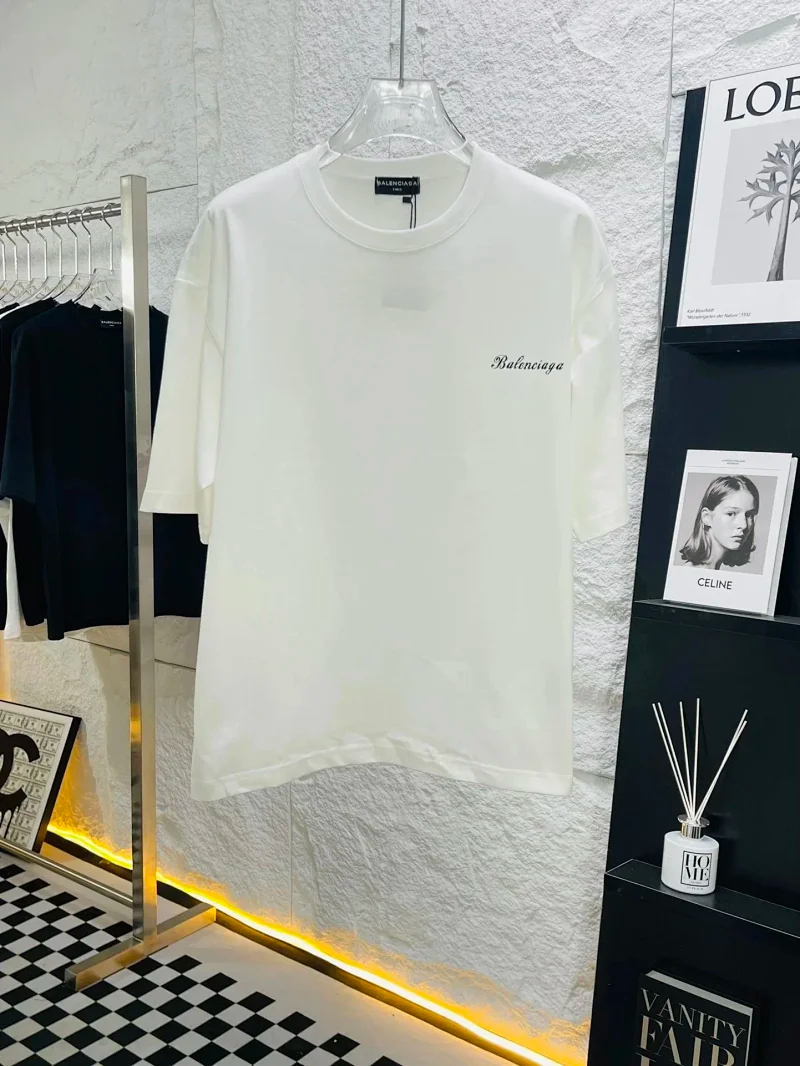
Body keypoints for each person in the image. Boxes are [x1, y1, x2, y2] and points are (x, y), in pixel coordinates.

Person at [680, 475, 759, 569]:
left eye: (749, 515)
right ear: (707, 517)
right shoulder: (691, 571)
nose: (744, 525)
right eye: (731, 513)